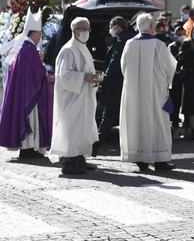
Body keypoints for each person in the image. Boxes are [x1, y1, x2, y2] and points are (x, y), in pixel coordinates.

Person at [119, 13, 177, 172]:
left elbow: (123, 68)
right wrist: (165, 83)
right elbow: (170, 68)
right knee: (158, 122)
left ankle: (140, 159)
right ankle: (160, 160)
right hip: (155, 92)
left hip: (133, 91)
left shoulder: (129, 44)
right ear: (151, 27)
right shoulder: (158, 45)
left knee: (137, 122)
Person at [49, 17, 101, 175]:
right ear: (75, 31)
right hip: (72, 98)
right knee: (72, 129)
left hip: (83, 96)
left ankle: (79, 159)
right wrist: (83, 77)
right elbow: (63, 76)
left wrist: (92, 78)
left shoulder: (82, 47)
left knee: (82, 128)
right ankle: (69, 163)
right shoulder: (68, 50)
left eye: (88, 29)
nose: (87, 32)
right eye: (84, 29)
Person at [0, 10, 52, 159]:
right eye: (39, 33)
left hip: (24, 92)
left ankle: (27, 148)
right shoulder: (28, 50)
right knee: (31, 118)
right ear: (33, 33)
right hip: (30, 93)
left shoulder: (22, 49)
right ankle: (28, 148)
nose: (40, 36)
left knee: (28, 117)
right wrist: (42, 66)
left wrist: (38, 60)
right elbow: (38, 73)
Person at [94, 16, 135, 156]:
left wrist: (103, 80)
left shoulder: (121, 41)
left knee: (107, 118)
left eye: (111, 28)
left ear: (116, 27)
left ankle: (95, 147)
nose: (110, 31)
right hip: (129, 85)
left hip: (117, 86)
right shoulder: (133, 39)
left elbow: (114, 64)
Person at [168, 26, 186, 134]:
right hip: (175, 79)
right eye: (179, 34)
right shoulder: (172, 47)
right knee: (175, 101)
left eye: (183, 33)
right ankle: (174, 123)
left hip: (185, 78)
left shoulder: (187, 45)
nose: (181, 36)